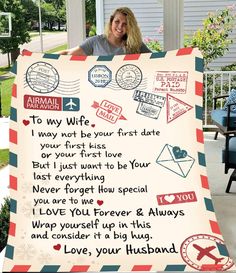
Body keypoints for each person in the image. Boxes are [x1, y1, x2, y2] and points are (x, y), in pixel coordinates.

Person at [60, 7, 151, 56]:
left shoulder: (135, 44)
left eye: (125, 24)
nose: (120, 26)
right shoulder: (96, 42)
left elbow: (155, 61)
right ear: (111, 22)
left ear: (130, 27)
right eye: (117, 21)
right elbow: (68, 53)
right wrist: (46, 58)